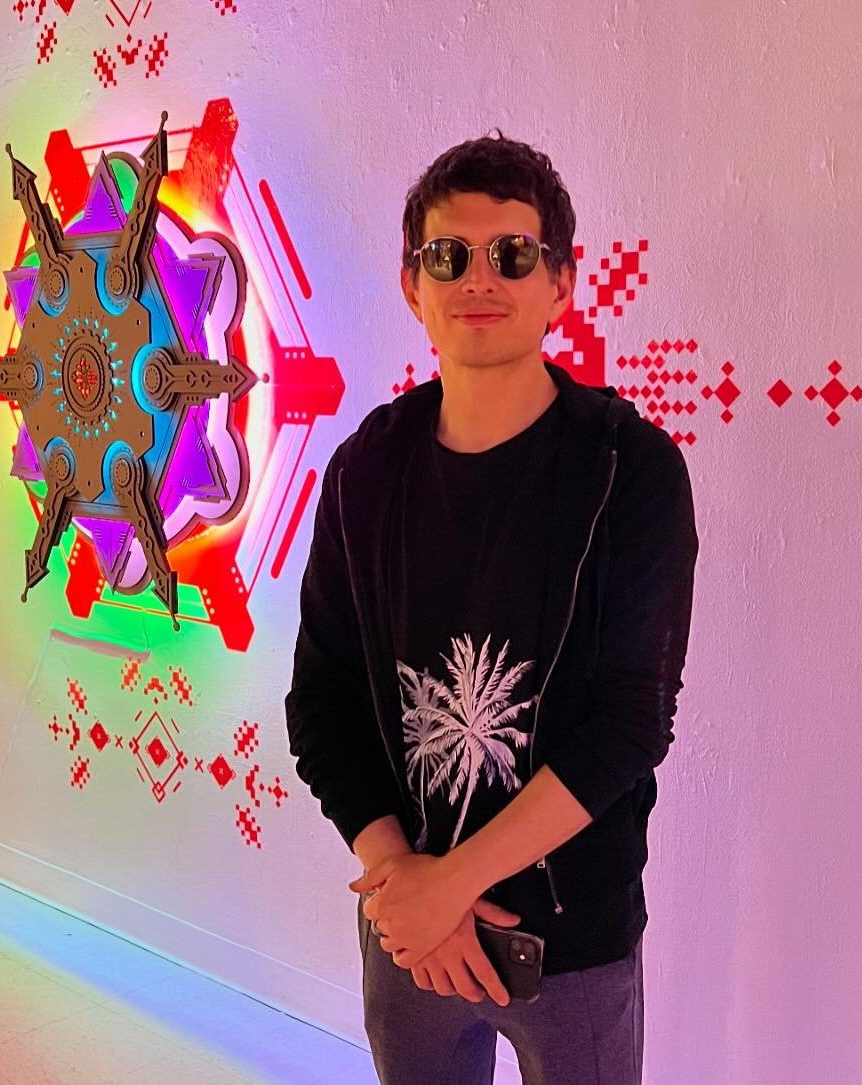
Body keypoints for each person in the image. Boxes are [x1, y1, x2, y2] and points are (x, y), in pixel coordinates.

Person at [285, 132, 698, 1085]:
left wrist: (449, 885)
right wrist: (406, 884)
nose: (479, 278)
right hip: (407, 930)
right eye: (449, 255)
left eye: (513, 253)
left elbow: (632, 722)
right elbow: (323, 703)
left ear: (561, 283)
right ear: (412, 285)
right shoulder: (364, 470)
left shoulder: (629, 470)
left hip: (572, 941)